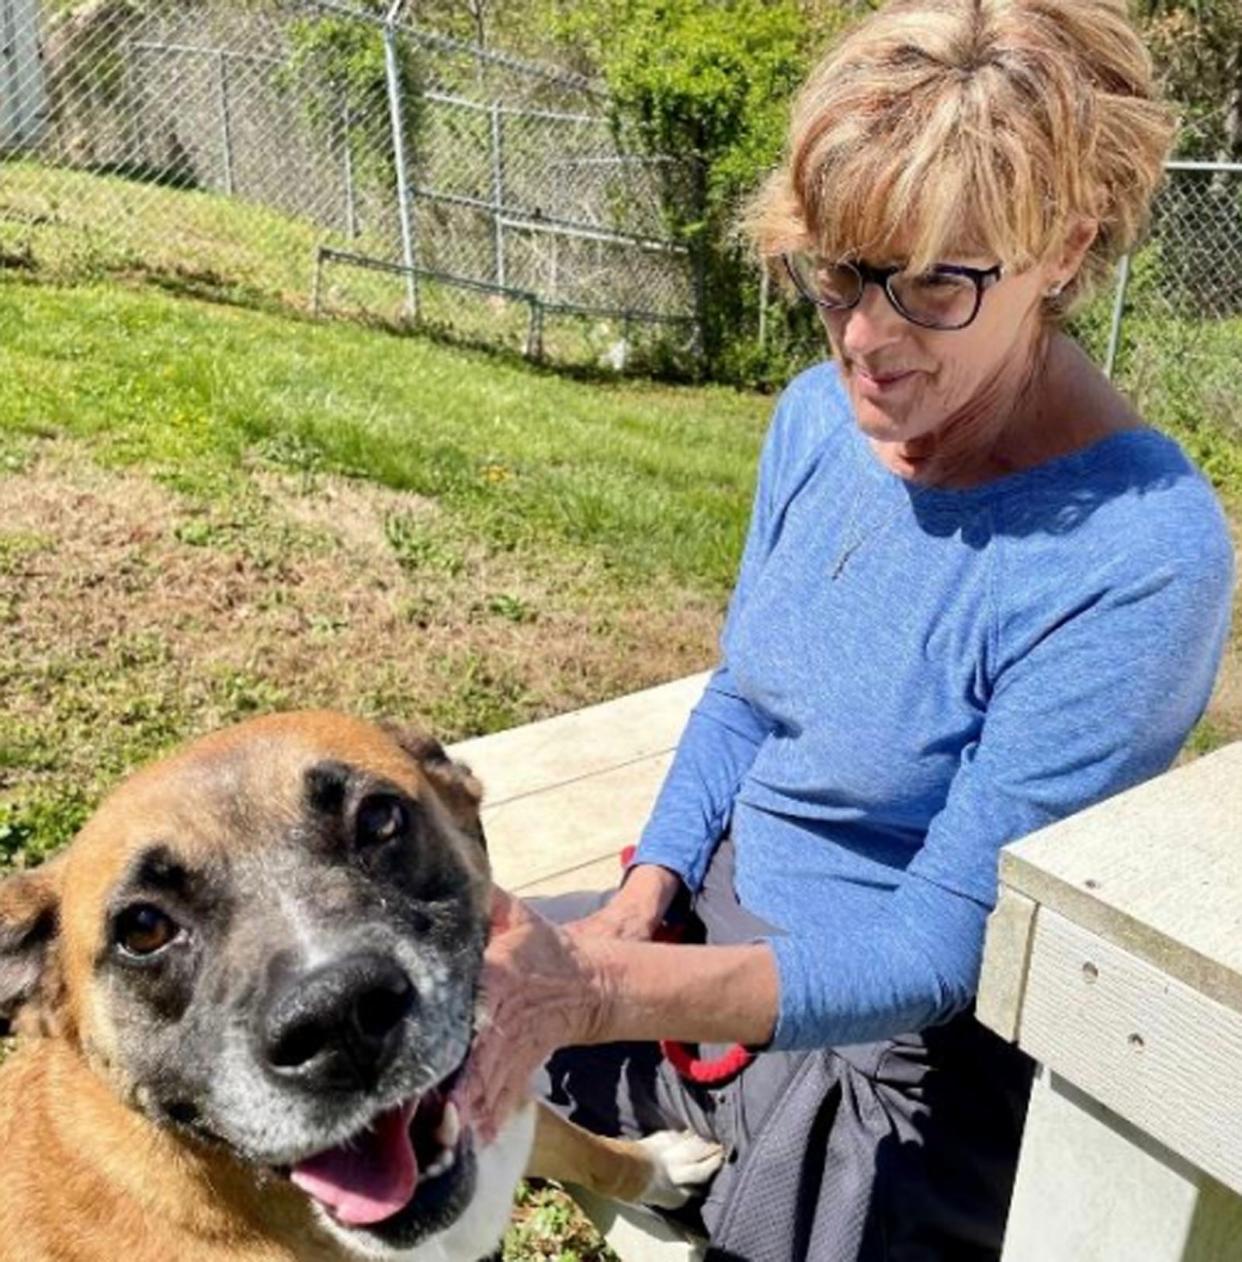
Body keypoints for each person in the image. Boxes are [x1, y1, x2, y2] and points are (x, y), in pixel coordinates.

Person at [463, 1, 1236, 1257]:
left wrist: (595, 992)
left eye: (938, 280)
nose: (866, 340)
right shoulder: (820, 418)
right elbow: (745, 695)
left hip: (901, 1054)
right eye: (839, 272)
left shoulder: (1138, 552)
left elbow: (936, 949)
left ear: (1064, 249)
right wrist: (640, 898)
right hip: (705, 932)